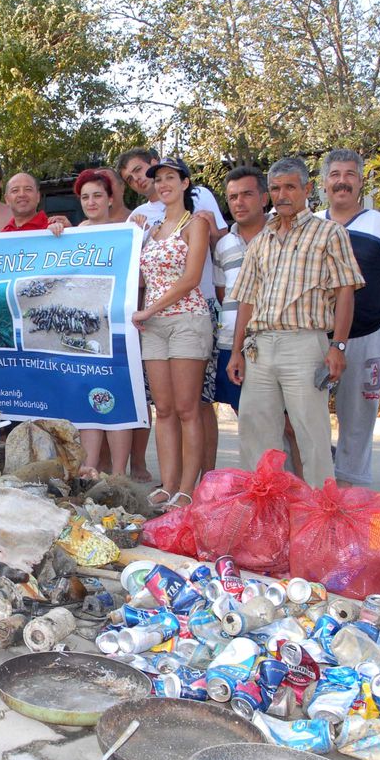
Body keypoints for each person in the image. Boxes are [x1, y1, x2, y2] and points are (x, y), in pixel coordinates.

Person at [226, 157, 365, 488]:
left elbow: (346, 292)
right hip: (259, 346)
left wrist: (338, 346)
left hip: (304, 343)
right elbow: (246, 298)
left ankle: (320, 514)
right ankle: (263, 511)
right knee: (255, 431)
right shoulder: (262, 240)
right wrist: (236, 352)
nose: (281, 194)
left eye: (290, 186)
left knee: (311, 434)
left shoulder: (329, 233)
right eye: (275, 188)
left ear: (307, 189)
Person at [131, 157, 214, 508]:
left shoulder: (196, 224)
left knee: (186, 408)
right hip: (153, 327)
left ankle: (187, 489)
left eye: (170, 178)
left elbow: (191, 278)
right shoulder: (150, 230)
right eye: (158, 179)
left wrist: (149, 309)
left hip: (186, 320)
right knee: (163, 409)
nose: (163, 183)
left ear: (184, 184)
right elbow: (138, 279)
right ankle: (167, 483)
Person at [316, 149, 380, 487]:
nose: (342, 182)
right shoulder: (311, 224)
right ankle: (315, 488)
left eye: (350, 174)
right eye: (335, 175)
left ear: (361, 181)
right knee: (305, 418)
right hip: (315, 338)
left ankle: (353, 494)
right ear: (324, 183)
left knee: (358, 420)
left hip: (366, 338)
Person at [58, 169, 137, 477]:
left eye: (98, 196)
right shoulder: (74, 233)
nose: (91, 202)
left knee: (116, 401)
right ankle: (90, 470)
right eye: (85, 197)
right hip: (79, 332)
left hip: (115, 330)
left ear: (110, 199)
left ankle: (119, 475)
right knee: (87, 399)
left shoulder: (127, 232)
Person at [212, 166, 269, 416]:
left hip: (271, 341)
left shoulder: (281, 235)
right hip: (231, 345)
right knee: (245, 416)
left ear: (264, 198)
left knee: (287, 422)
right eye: (233, 197)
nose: (239, 202)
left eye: (247, 194)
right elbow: (222, 294)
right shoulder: (223, 245)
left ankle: (308, 457)